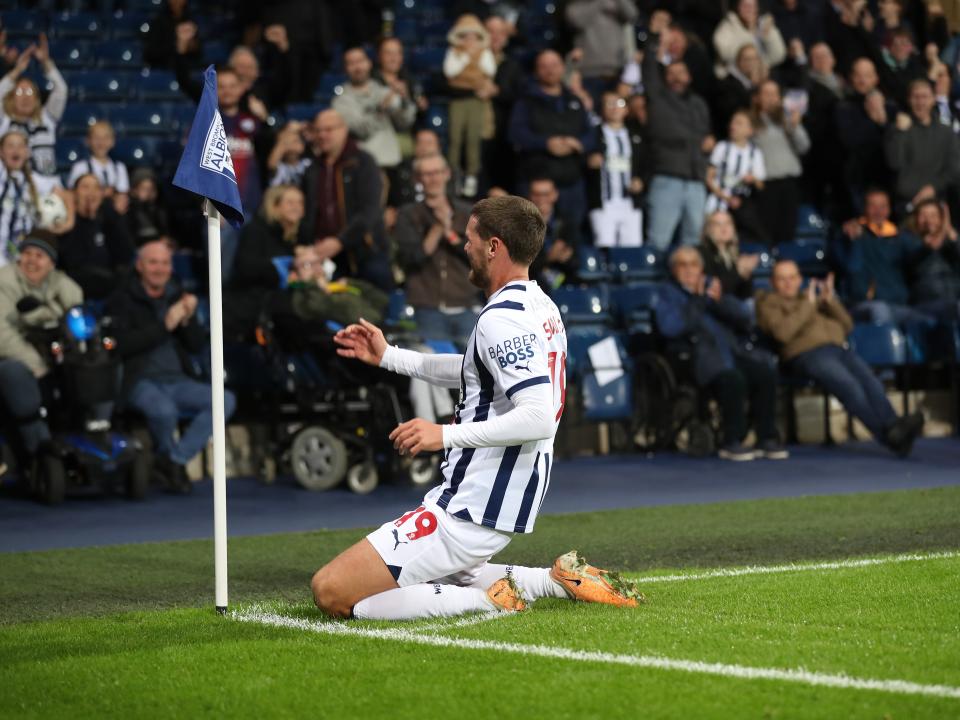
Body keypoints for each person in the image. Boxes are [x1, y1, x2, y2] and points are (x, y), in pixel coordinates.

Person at [311, 194, 644, 621]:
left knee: (332, 591)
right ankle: (553, 580)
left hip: (473, 503)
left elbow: (538, 416)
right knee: (447, 575)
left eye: (470, 238)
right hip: (500, 496)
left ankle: (489, 601)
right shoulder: (540, 305)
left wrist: (443, 434)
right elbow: (477, 371)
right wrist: (389, 357)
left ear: (494, 246)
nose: (463, 246)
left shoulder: (501, 318)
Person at [105, 239, 237, 493]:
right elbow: (121, 345)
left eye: (165, 263)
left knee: (225, 400)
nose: (159, 268)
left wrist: (188, 320)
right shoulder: (122, 299)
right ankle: (171, 466)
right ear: (140, 266)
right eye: (153, 262)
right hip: (140, 380)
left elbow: (197, 346)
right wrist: (165, 324)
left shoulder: (178, 295)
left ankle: (172, 461)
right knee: (164, 411)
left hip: (178, 379)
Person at [756, 259, 925, 456]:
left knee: (871, 382)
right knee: (849, 386)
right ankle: (889, 436)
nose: (788, 283)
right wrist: (809, 306)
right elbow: (782, 333)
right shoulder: (768, 303)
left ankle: (894, 426)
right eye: (782, 279)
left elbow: (847, 325)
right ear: (772, 282)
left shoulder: (811, 299)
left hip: (838, 349)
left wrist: (830, 301)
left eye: (792, 277)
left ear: (800, 279)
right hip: (806, 355)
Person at [655, 246, 787, 461]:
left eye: (694, 264)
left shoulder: (712, 290)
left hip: (730, 352)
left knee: (765, 373)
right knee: (732, 379)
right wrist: (697, 301)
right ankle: (732, 440)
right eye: (683, 265)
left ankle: (766, 437)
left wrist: (720, 301)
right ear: (673, 270)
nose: (689, 270)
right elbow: (671, 328)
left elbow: (745, 319)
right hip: (695, 358)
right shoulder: (667, 294)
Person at [0, 232, 81, 465]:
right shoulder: (4, 280)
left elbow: (78, 314)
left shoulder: (60, 282)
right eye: (26, 254)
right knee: (13, 372)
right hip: (14, 358)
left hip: (49, 357)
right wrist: (38, 367)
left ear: (51, 263)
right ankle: (37, 448)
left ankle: (86, 435)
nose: (32, 261)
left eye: (39, 255)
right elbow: (3, 336)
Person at [298, 110, 393, 289]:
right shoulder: (312, 168)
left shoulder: (364, 162)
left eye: (328, 130)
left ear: (343, 130)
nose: (322, 135)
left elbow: (370, 210)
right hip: (327, 258)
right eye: (318, 131)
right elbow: (309, 212)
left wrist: (340, 241)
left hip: (366, 253)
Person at [394, 153, 480, 345]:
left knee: (476, 368)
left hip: (465, 304)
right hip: (426, 305)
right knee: (436, 368)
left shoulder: (467, 213)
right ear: (418, 179)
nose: (433, 179)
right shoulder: (409, 215)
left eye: (437, 172)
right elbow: (409, 259)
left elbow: (478, 257)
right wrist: (437, 229)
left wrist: (450, 235)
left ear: (447, 174)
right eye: (426, 174)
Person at [642, 32, 714, 251]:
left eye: (681, 73)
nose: (676, 77)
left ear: (689, 77)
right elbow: (649, 69)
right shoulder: (658, 97)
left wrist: (709, 140)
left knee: (694, 241)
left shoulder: (699, 103)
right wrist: (656, 43)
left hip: (696, 179)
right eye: (671, 73)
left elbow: (705, 132)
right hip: (667, 177)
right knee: (659, 241)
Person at [509, 50, 593, 234]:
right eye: (544, 66)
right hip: (536, 184)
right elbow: (516, 133)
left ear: (563, 68)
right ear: (536, 71)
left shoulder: (574, 100)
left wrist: (578, 144)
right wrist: (546, 143)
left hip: (571, 183)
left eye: (554, 65)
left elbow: (591, 134)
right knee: (531, 237)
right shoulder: (526, 101)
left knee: (571, 239)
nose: (550, 70)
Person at [224, 185, 307, 342]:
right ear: (274, 206)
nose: (297, 207)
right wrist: (281, 270)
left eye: (300, 202)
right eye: (290, 202)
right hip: (251, 304)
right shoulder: (255, 230)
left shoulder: (297, 236)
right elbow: (245, 269)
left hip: (277, 301)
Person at [842, 187, 925, 324]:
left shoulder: (899, 237)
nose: (878, 211)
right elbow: (851, 268)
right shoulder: (853, 234)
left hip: (898, 304)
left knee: (926, 323)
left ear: (889, 209)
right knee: (880, 311)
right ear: (864, 208)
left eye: (883, 206)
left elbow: (921, 254)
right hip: (866, 304)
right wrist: (853, 241)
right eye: (872, 206)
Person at [333, 46, 417, 174]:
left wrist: (405, 100)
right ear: (345, 69)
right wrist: (381, 109)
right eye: (352, 63)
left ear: (369, 63)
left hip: (392, 162)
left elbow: (405, 122)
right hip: (363, 166)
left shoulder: (384, 92)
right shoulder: (340, 102)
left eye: (360, 61)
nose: (358, 67)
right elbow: (361, 130)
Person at [884, 79, 960, 217]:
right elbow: (894, 163)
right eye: (915, 97)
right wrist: (899, 133)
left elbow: (954, 170)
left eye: (925, 97)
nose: (920, 102)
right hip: (904, 205)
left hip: (937, 204)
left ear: (933, 99)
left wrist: (933, 188)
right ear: (909, 100)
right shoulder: (897, 129)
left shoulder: (947, 132)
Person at [0, 130, 74, 267]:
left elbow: (66, 195)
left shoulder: (34, 181)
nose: (15, 150)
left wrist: (68, 223)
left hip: (23, 255)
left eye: (20, 146)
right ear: (1, 152)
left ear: (27, 152)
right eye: (10, 146)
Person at [443, 14, 497, 199]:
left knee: (473, 138)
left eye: (473, 36)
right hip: (458, 99)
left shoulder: (485, 53)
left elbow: (490, 70)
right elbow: (450, 71)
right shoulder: (455, 52)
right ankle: (453, 176)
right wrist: (466, 56)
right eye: (465, 36)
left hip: (476, 100)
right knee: (455, 138)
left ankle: (472, 176)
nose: (470, 40)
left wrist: (477, 55)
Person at [751, 79, 810, 245]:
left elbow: (804, 147)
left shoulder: (787, 119)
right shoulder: (751, 122)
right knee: (766, 233)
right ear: (757, 98)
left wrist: (794, 126)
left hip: (790, 183)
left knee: (788, 233)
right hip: (766, 184)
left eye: (774, 94)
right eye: (766, 93)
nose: (771, 98)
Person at [58, 174, 135, 301]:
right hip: (74, 290)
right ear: (74, 193)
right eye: (85, 187)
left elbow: (126, 254)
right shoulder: (65, 222)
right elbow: (70, 261)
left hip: (108, 291)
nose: (91, 192)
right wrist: (71, 214)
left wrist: (113, 215)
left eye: (96, 188)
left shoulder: (107, 220)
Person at [0, 34, 66, 177]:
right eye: (20, 91)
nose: (25, 97)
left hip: (46, 185)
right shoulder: (3, 120)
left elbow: (61, 90)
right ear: (11, 98)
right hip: (9, 186)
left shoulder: (47, 118)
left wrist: (46, 63)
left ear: (37, 98)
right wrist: (17, 71)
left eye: (30, 92)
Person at [585, 92, 645, 248]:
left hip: (630, 203)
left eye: (619, 104)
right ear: (602, 109)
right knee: (605, 247)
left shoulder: (636, 135)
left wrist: (641, 181)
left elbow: (647, 164)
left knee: (632, 250)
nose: (614, 108)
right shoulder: (593, 133)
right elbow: (581, 157)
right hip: (604, 203)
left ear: (626, 109)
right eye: (609, 104)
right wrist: (589, 161)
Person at [705, 110, 768, 244]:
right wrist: (725, 197)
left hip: (742, 204)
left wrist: (753, 179)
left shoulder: (755, 153)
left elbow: (761, 185)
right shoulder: (722, 147)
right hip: (720, 200)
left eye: (739, 123)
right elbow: (709, 178)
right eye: (732, 122)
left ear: (750, 130)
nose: (733, 126)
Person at [563, 0, 638, 104]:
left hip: (618, 69)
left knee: (618, 112)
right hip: (590, 72)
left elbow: (632, 15)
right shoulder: (579, 3)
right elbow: (575, 20)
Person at [907, 198, 960, 320]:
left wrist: (950, 231)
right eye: (923, 215)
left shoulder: (951, 241)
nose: (928, 220)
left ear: (941, 219)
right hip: (926, 305)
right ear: (916, 219)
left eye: (933, 215)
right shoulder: (908, 241)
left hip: (954, 301)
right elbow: (930, 247)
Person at [67, 121, 130, 215]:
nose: (101, 142)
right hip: (89, 213)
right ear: (88, 141)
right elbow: (73, 194)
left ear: (113, 141)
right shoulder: (80, 167)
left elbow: (122, 195)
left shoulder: (119, 167)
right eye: (96, 138)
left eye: (106, 138)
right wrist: (104, 193)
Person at [712, 0, 787, 78]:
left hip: (761, 76)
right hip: (733, 77)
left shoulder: (764, 24)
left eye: (752, 6)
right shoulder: (728, 25)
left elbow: (778, 56)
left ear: (757, 9)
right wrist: (749, 34)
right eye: (745, 6)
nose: (749, 9)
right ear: (738, 8)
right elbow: (724, 53)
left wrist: (767, 36)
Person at [528, 177, 578, 290]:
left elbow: (576, 262)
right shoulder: (521, 226)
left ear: (554, 195)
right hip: (532, 287)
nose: (541, 199)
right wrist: (548, 258)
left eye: (545, 194)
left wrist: (567, 258)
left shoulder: (567, 223)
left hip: (564, 287)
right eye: (536, 194)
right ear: (530, 196)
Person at [699, 210, 758, 300]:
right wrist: (738, 272)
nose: (724, 228)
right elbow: (714, 289)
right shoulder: (702, 253)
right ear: (708, 229)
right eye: (717, 224)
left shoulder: (737, 254)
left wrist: (746, 274)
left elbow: (745, 295)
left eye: (728, 223)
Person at [126, 168, 170, 246]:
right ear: (134, 191)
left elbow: (165, 233)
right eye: (144, 189)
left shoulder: (159, 209)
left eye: (151, 189)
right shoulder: (129, 211)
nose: (149, 193)